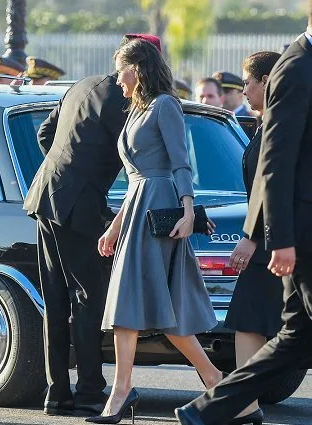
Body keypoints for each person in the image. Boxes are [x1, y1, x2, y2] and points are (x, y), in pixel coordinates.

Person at [175, 7, 312, 425]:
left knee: (294, 338)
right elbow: (275, 160)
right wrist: (278, 238)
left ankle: (206, 409)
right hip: (303, 232)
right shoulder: (297, 66)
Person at [23, 34, 161, 418]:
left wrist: (68, 169)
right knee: (87, 298)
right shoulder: (128, 99)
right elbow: (138, 154)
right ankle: (88, 391)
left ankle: (57, 393)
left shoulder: (81, 85)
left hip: (45, 195)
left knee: (55, 299)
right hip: (77, 204)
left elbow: (45, 135)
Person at [86, 39, 221, 424]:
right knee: (131, 308)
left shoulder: (164, 105)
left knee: (158, 310)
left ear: (138, 68)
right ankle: (215, 384)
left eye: (121, 70)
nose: (117, 79)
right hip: (137, 209)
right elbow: (134, 179)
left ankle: (216, 383)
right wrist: (114, 227)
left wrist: (189, 210)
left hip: (161, 208)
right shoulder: (136, 110)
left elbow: (181, 163)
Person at [220, 51, 282, 425]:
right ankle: (245, 406)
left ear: (266, 82)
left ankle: (243, 405)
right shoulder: (264, 122)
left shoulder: (280, 123)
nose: (243, 89)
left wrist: (251, 237)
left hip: (276, 243)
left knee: (257, 321)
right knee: (249, 320)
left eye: (248, 81)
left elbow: (272, 188)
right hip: (271, 242)